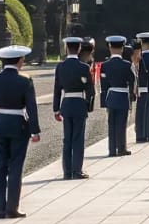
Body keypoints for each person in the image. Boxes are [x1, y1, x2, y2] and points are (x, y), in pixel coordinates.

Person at [0, 45, 40, 219]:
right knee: (15, 166)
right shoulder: (25, 80)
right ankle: (12, 207)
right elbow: (31, 107)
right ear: (20, 61)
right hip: (18, 124)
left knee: (0, 165)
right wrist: (34, 130)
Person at [53, 37, 91, 180]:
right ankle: (77, 170)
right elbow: (90, 90)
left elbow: (57, 89)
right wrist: (88, 106)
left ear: (67, 48)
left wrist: (56, 109)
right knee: (78, 138)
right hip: (79, 103)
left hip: (66, 103)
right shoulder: (84, 67)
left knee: (67, 138)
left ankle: (67, 171)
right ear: (79, 48)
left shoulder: (60, 67)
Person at [100, 36, 134, 157]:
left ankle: (111, 149)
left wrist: (104, 102)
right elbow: (132, 80)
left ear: (110, 48)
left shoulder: (105, 65)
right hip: (123, 95)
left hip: (111, 96)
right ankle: (121, 148)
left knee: (111, 123)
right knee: (121, 123)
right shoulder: (127, 64)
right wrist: (132, 96)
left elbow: (103, 85)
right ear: (122, 48)